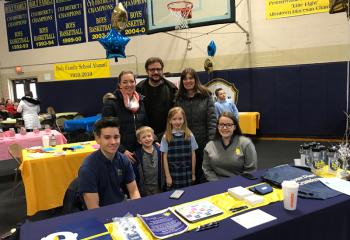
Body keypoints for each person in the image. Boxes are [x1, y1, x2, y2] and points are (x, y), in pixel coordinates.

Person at [78, 117, 141, 209]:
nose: (113, 142)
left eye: (116, 137)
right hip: (101, 212)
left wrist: (137, 210)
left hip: (121, 206)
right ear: (97, 139)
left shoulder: (123, 160)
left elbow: (134, 191)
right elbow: (93, 208)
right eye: (107, 137)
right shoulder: (88, 168)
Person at [174, 68, 216, 183]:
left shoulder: (206, 95)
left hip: (203, 143)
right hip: (186, 143)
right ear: (182, 81)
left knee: (204, 174)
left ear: (195, 79)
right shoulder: (178, 98)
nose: (188, 81)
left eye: (190, 78)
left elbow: (212, 121)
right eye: (185, 79)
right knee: (190, 176)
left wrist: (211, 142)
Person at [102, 71, 147, 164]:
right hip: (120, 153)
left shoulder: (141, 102)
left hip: (140, 150)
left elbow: (145, 125)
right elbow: (106, 131)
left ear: (135, 83)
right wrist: (122, 150)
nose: (129, 84)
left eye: (131, 81)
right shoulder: (111, 103)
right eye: (125, 82)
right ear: (119, 84)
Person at [202, 112, 257, 181]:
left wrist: (237, 185)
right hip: (216, 184)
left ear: (234, 127)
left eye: (229, 125)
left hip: (239, 185)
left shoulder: (246, 144)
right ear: (217, 126)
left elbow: (250, 170)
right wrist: (216, 183)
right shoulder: (210, 146)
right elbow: (207, 169)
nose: (224, 128)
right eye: (221, 124)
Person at [136, 57, 177, 140]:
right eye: (152, 70)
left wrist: (165, 134)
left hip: (167, 135)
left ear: (162, 70)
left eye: (158, 69)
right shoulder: (138, 89)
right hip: (145, 137)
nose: (156, 72)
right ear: (147, 71)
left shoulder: (172, 89)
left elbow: (175, 115)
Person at [160, 107, 198, 189]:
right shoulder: (166, 137)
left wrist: (193, 173)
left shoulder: (189, 135)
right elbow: (164, 158)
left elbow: (193, 154)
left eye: (180, 119)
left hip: (187, 173)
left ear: (184, 120)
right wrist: (167, 176)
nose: (177, 122)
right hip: (173, 173)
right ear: (170, 120)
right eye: (174, 119)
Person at [135, 126, 162, 196]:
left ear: (153, 137)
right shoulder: (138, 155)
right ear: (139, 141)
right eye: (144, 137)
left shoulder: (159, 151)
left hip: (159, 186)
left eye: (149, 136)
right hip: (145, 189)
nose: (147, 139)